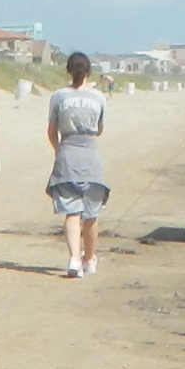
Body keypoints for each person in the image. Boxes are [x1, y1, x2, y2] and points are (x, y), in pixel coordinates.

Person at [46, 51, 110, 277]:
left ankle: (74, 258)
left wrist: (59, 150)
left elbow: (52, 131)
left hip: (67, 152)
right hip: (90, 153)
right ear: (89, 72)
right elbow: (100, 129)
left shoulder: (58, 96)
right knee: (91, 213)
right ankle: (90, 259)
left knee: (71, 211)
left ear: (68, 71)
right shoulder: (99, 97)